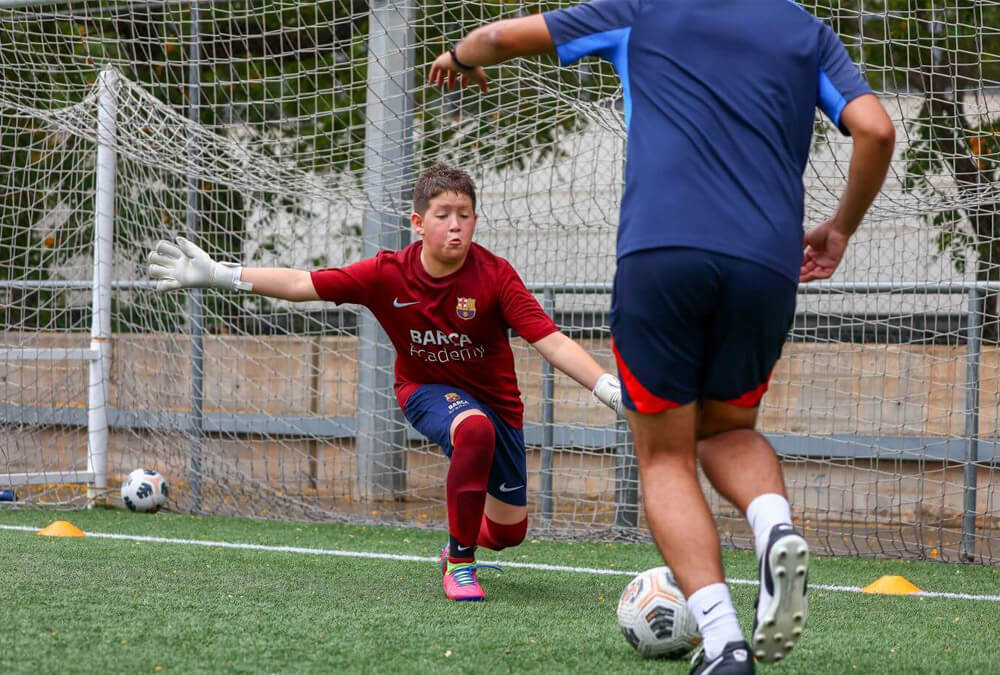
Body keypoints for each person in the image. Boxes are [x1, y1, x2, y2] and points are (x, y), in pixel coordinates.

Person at [427, 2, 894, 672]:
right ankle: (774, 528)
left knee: (666, 454)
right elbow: (875, 130)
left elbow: (500, 35)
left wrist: (462, 56)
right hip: (767, 261)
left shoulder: (643, 10)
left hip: (663, 252)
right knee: (730, 429)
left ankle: (725, 640)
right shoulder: (804, 29)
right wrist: (840, 227)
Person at [147, 164, 624, 603]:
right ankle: (459, 564)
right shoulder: (386, 273)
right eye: (443, 214)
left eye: (465, 214)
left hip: (501, 406)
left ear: (475, 221)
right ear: (419, 224)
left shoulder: (495, 277)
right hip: (424, 393)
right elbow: (302, 283)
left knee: (508, 532)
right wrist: (220, 275)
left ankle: (461, 538)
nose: (455, 224)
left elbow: (553, 342)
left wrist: (608, 387)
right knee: (472, 428)